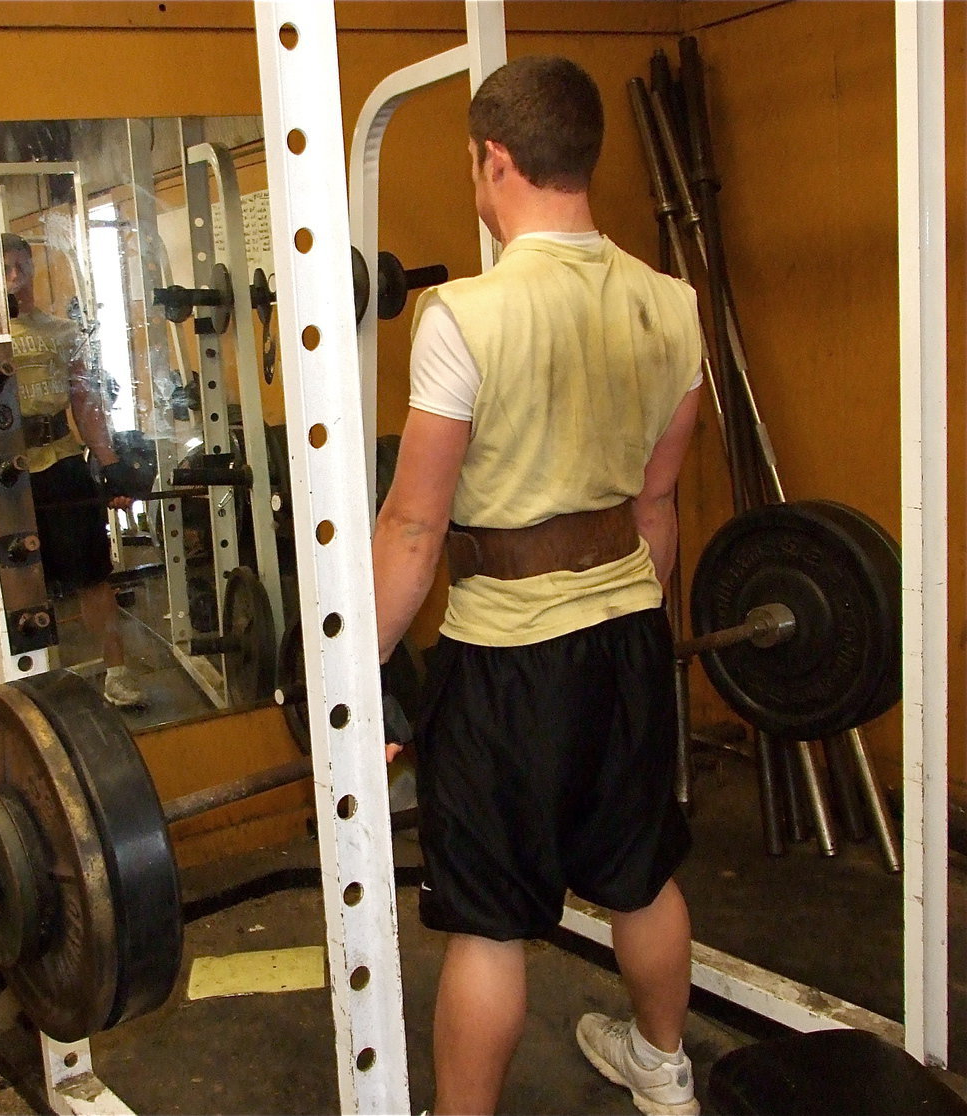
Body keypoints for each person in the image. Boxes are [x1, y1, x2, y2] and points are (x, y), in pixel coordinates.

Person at [372, 57, 704, 1116]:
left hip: (509, 657)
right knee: (642, 873)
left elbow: (416, 527)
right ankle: (664, 1068)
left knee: (489, 921)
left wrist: (350, 678)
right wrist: (629, 637)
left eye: (474, 164)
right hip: (630, 636)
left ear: (497, 160)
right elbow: (658, 509)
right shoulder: (674, 306)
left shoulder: (463, 317)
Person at [0, 232, 146, 708]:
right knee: (18, 582)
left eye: (19, 268)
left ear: (31, 271)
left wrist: (110, 462)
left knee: (92, 575)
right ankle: (27, 687)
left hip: (60, 465)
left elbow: (85, 403)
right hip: (4, 477)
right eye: (3, 271)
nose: (13, 280)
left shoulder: (61, 332)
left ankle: (116, 672)